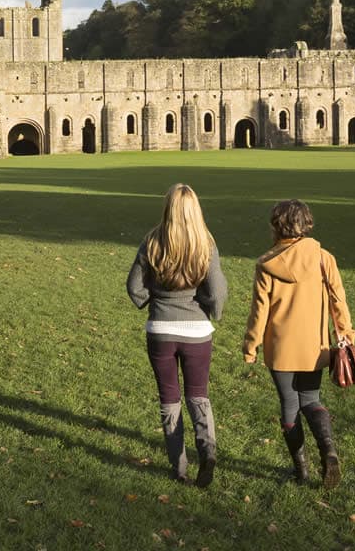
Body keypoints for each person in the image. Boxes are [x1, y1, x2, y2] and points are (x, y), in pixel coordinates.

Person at [243, 199, 355, 488]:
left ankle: (301, 470)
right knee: (311, 399)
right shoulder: (322, 257)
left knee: (290, 406)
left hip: (279, 348)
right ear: (306, 224)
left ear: (276, 226)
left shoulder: (267, 264)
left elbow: (260, 311)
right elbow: (338, 300)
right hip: (313, 347)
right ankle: (328, 452)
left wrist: (250, 345)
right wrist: (346, 333)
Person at [127, 184, 227, 486]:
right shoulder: (205, 243)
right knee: (198, 394)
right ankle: (207, 452)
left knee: (169, 398)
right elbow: (218, 292)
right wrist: (211, 311)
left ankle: (179, 467)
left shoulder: (151, 242)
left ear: (167, 208)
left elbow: (134, 288)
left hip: (160, 330)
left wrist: (152, 303)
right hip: (197, 330)